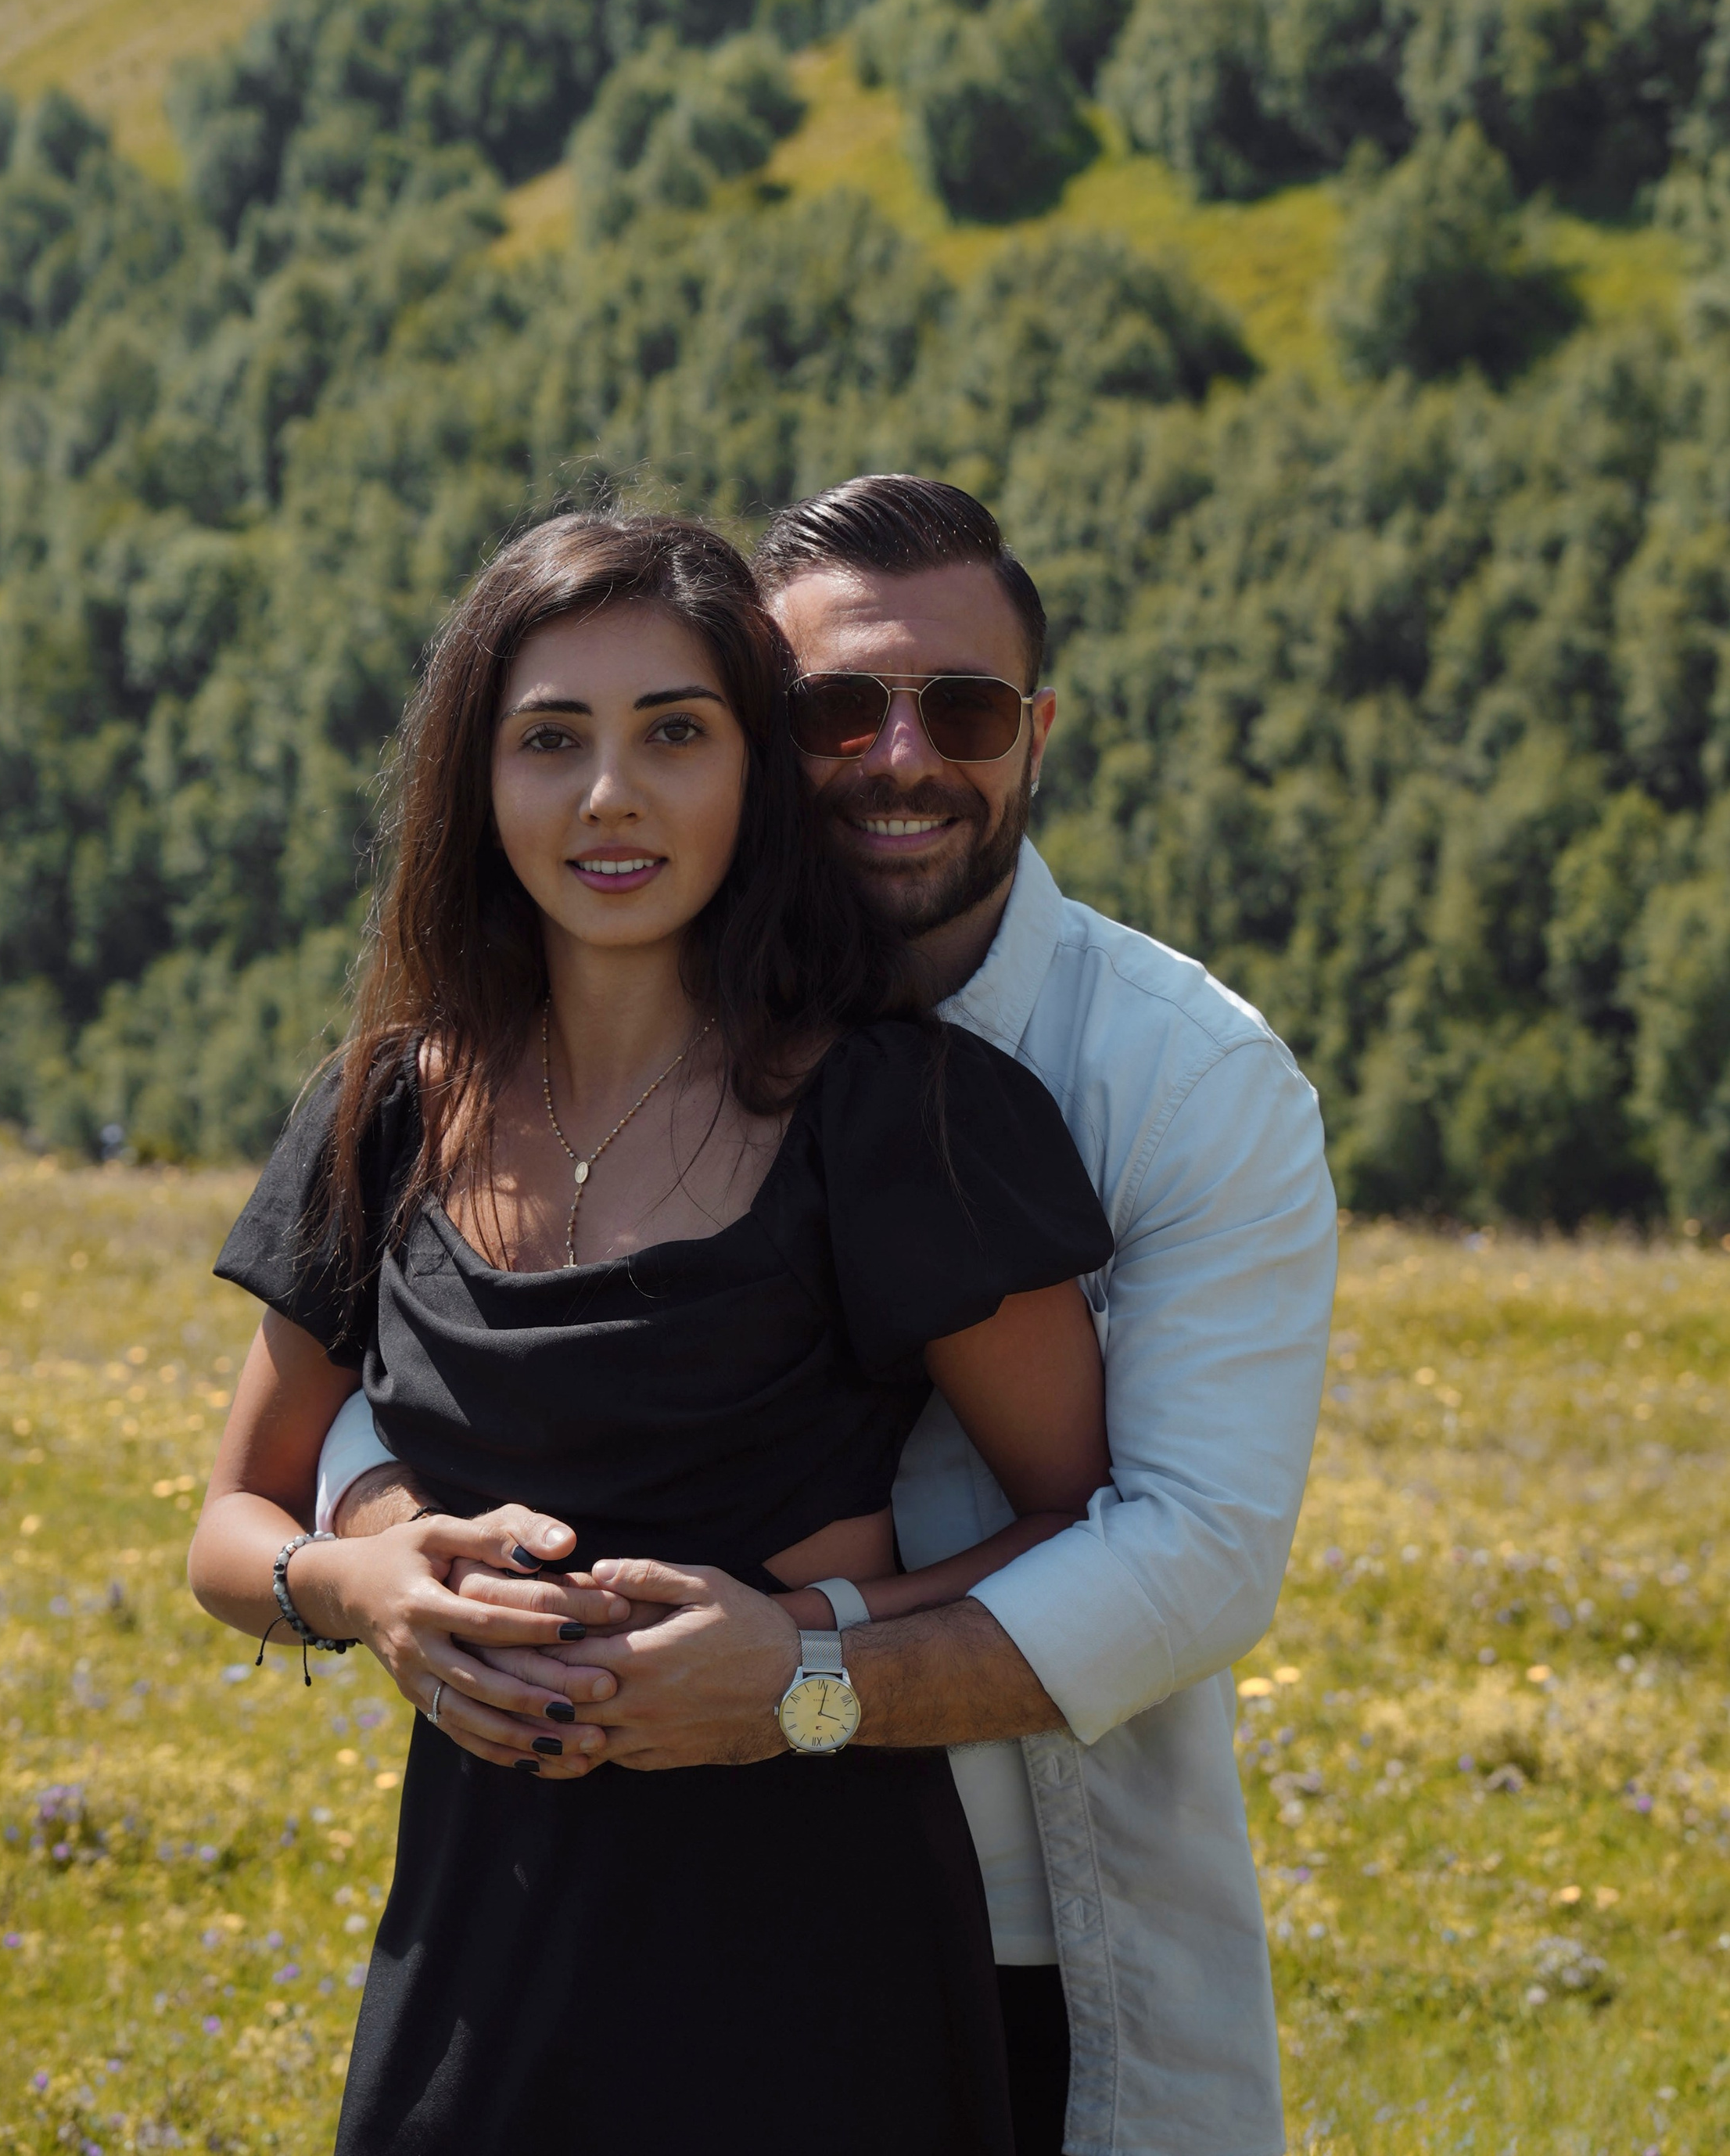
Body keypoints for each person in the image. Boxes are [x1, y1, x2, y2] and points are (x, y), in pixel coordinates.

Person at [314, 477, 1338, 2156]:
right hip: (613, 1888)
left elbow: (1197, 1550)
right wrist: (379, 1548)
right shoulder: (566, 1056)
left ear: (1036, 733)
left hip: (1031, 1906)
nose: (895, 756)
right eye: (832, 708)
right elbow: (426, 1339)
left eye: (962, 706)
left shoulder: (1185, 1073)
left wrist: (803, 1674)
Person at [188, 512, 1117, 2155]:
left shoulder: (903, 1119)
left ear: (751, 776)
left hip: (820, 1979)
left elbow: (1078, 1529)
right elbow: (227, 1526)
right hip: (475, 1959)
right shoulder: (382, 1111)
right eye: (551, 740)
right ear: (475, 784)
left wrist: (802, 1651)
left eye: (671, 735)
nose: (609, 796)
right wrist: (366, 1590)